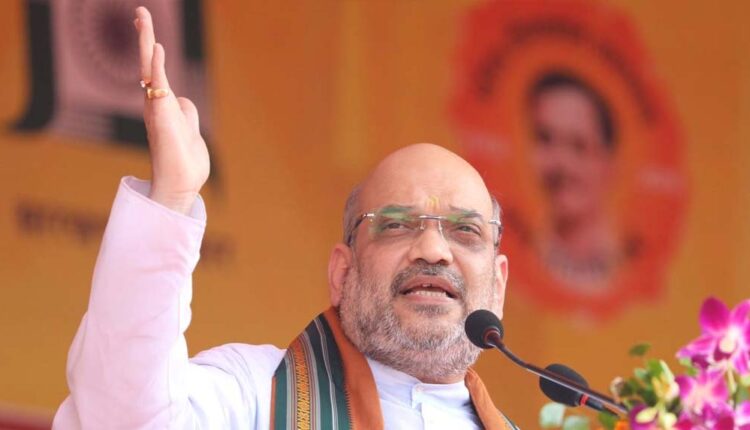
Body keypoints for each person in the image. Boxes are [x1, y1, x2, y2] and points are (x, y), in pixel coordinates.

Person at [53, 7, 515, 429]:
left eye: (465, 230)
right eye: (396, 225)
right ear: (342, 273)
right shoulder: (252, 394)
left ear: (497, 286)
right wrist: (172, 198)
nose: (433, 250)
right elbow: (121, 415)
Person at [528, 71, 621, 290]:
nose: (561, 164)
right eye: (546, 139)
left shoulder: (624, 267)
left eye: (579, 147)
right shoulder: (516, 257)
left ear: (608, 166)